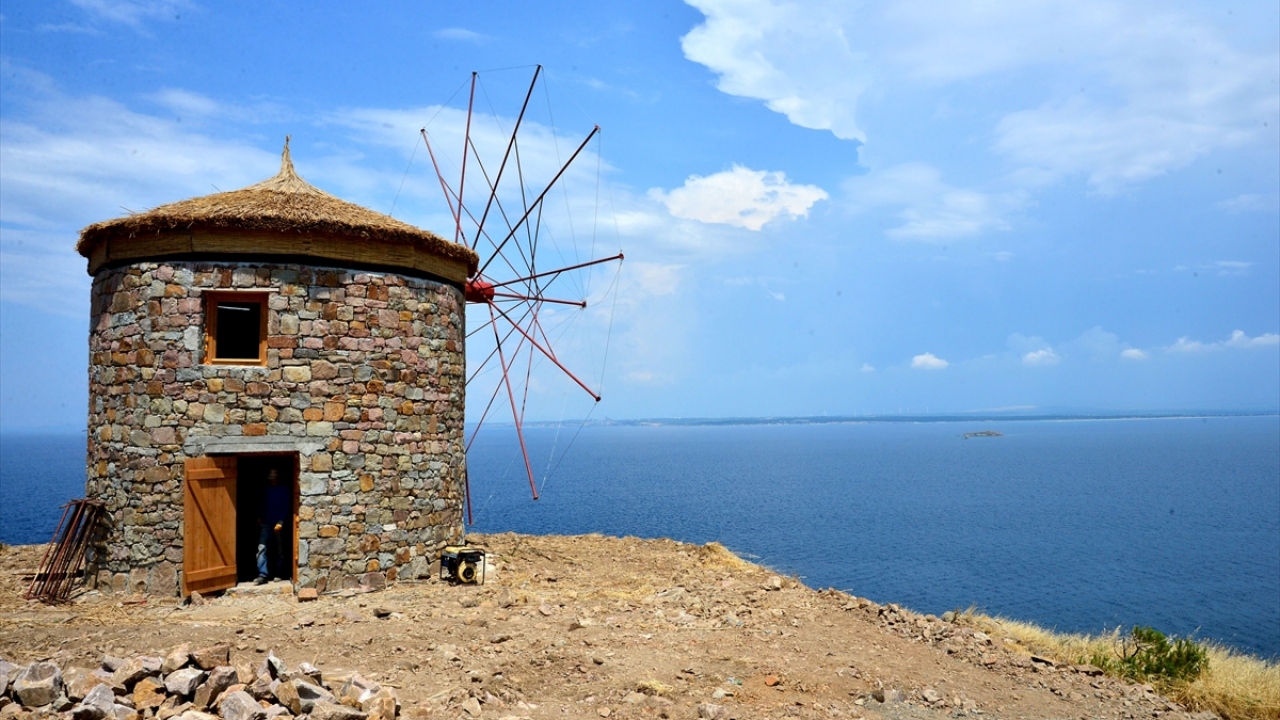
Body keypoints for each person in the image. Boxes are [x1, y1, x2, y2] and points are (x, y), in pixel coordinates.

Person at [255, 468, 291, 584]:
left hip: (279, 524)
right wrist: (260, 516)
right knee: (262, 547)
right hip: (266, 523)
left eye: (274, 478)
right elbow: (263, 503)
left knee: (280, 550)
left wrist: (281, 521)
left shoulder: (284, 488)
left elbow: (287, 506)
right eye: (271, 478)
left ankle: (279, 573)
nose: (273, 480)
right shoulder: (267, 488)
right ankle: (263, 574)